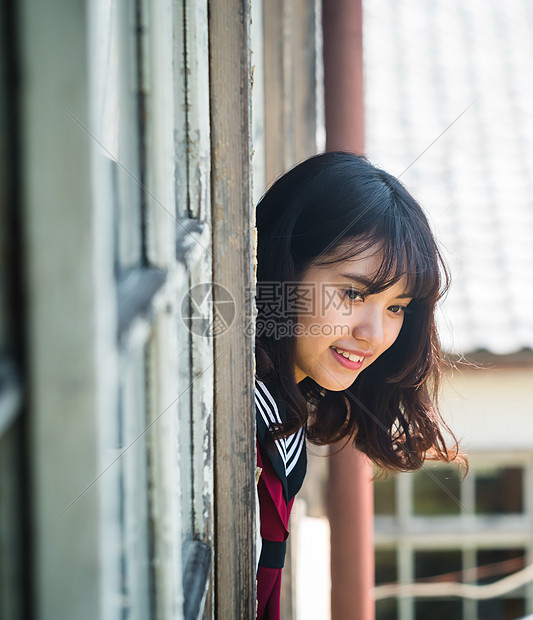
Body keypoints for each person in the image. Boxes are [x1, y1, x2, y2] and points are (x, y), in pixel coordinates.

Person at [253, 151, 465, 619]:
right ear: (283, 271)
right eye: (353, 294)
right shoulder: (248, 415)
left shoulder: (283, 419)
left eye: (397, 307)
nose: (375, 334)